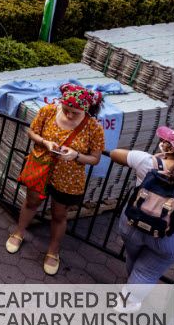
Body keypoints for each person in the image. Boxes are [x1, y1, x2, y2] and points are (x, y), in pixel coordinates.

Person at [7, 83, 105, 275]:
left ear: (86, 109)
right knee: (31, 201)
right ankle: (18, 232)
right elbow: (31, 131)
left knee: (59, 214)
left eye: (75, 113)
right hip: (41, 169)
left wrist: (76, 155)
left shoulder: (94, 128)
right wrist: (45, 142)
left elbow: (95, 159)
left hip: (68, 179)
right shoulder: (49, 111)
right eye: (66, 110)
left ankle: (53, 250)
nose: (69, 115)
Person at [110, 127, 174, 304]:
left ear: (169, 148)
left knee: (134, 256)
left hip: (132, 224)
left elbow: (115, 154)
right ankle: (129, 302)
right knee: (147, 270)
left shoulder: (147, 162)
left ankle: (131, 285)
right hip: (167, 236)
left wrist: (155, 158)